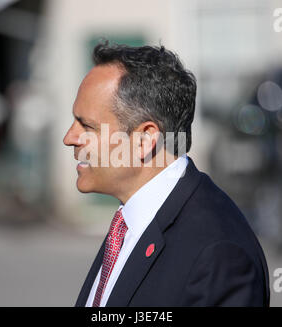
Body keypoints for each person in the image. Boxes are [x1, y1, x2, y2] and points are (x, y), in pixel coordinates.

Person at [63, 42, 270, 307]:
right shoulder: (131, 222)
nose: (70, 138)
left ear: (144, 139)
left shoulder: (218, 253)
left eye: (87, 126)